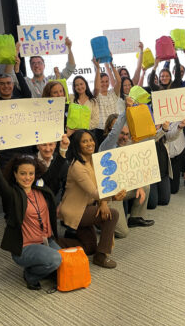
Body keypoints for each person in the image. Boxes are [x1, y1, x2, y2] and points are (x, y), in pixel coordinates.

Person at [0, 143, 66, 290]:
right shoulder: (12, 195)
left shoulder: (41, 188)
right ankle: (31, 275)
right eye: (22, 173)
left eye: (31, 173)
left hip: (45, 241)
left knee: (64, 262)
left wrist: (63, 148)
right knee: (55, 259)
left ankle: (42, 264)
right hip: (25, 247)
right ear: (15, 174)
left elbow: (54, 170)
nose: (27, 177)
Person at [59, 129, 125, 268]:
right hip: (75, 210)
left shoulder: (95, 161)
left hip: (87, 207)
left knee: (89, 248)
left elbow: (102, 184)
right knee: (113, 215)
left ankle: (55, 242)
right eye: (84, 141)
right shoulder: (77, 166)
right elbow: (95, 192)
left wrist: (104, 203)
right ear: (77, 146)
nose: (89, 143)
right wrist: (112, 197)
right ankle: (101, 256)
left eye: (90, 140)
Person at [99, 101, 155, 238]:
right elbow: (114, 134)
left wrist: (139, 184)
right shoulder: (106, 146)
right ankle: (99, 220)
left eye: (126, 134)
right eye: (121, 133)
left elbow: (148, 141)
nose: (124, 137)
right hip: (110, 196)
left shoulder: (128, 146)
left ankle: (135, 217)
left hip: (124, 188)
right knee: (123, 233)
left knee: (145, 185)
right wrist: (126, 110)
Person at [36, 139, 97, 255]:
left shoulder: (63, 162)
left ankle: (64, 234)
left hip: (56, 198)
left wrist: (61, 203)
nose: (48, 148)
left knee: (90, 246)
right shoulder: (32, 162)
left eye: (51, 144)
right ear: (37, 145)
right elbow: (42, 184)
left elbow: (66, 186)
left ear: (55, 145)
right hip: (37, 200)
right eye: (44, 144)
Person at [147, 121, 182, 210]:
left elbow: (172, 136)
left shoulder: (163, 134)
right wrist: (163, 130)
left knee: (164, 200)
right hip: (150, 175)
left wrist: (180, 127)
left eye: (158, 124)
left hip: (163, 172)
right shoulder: (145, 137)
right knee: (152, 204)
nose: (157, 126)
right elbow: (153, 139)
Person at [69, 60, 100, 132]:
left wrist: (79, 127)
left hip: (89, 133)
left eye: (81, 84)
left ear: (85, 84)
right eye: (76, 85)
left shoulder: (93, 101)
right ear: (74, 87)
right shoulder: (71, 98)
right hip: (73, 134)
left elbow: (95, 121)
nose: (79, 87)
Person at [95, 60, 121, 145]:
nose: (104, 84)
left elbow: (119, 81)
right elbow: (96, 87)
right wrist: (98, 68)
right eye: (102, 81)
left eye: (106, 81)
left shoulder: (113, 93)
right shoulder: (96, 95)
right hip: (102, 131)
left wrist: (111, 63)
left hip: (116, 128)